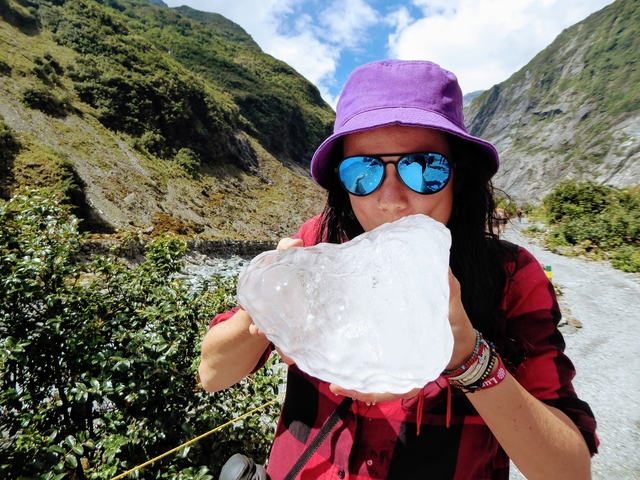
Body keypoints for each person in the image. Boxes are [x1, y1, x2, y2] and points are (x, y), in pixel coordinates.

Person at [199, 60, 598, 479]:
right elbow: (211, 375)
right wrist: (265, 308)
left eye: (424, 168)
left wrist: (468, 357)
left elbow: (569, 470)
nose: (390, 200)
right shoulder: (319, 243)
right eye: (363, 171)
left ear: (458, 176)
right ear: (341, 181)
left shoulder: (512, 276)